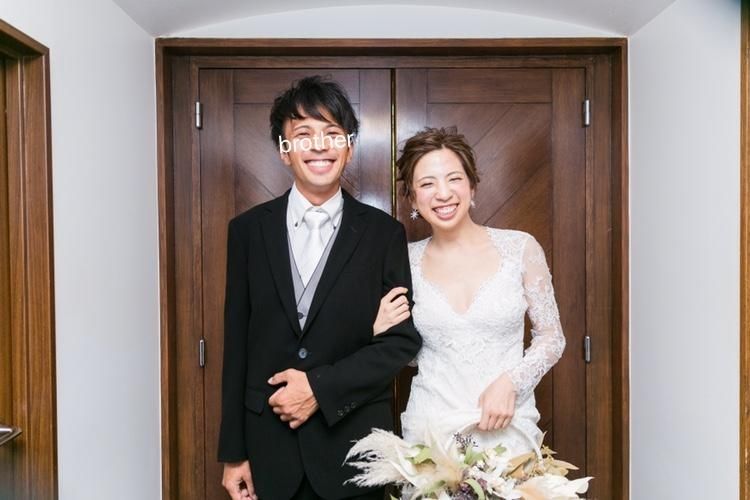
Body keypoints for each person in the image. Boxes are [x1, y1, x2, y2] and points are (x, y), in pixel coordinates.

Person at [218, 76, 422, 500]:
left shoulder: (384, 233)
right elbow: (236, 345)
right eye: (303, 135)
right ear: (284, 150)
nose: (319, 146)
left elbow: (400, 343)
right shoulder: (248, 231)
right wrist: (233, 454)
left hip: (352, 447)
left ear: (349, 147)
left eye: (332, 134)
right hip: (270, 446)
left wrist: (319, 388)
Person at [374, 127, 566, 457]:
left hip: (508, 426)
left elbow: (552, 337)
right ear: (413, 198)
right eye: (427, 184)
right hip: (432, 429)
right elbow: (410, 354)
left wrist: (512, 383)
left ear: (472, 186)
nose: (443, 193)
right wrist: (379, 331)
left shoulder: (520, 248)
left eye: (454, 179)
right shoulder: (403, 262)